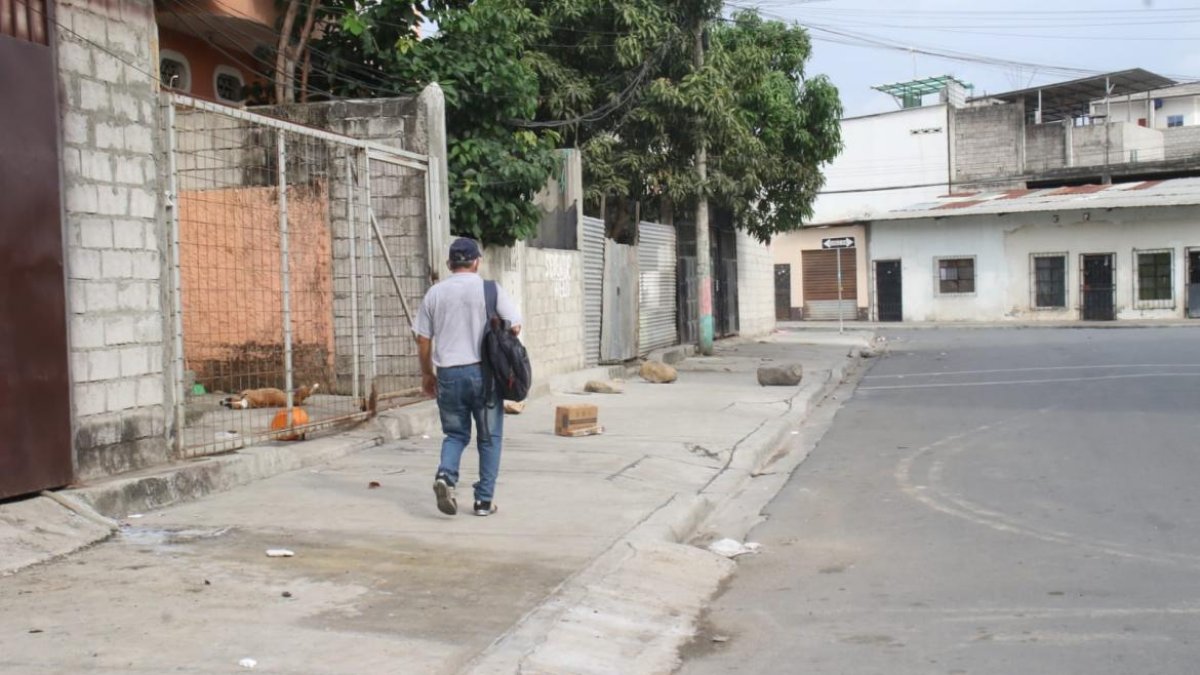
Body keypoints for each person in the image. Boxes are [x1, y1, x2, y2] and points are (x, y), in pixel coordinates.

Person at [414, 237, 522, 517]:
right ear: (477, 262)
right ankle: (483, 501)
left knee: (455, 434)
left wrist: (427, 374)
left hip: (448, 374)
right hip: (484, 374)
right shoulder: (491, 290)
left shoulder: (434, 293)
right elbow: (515, 327)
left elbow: (423, 339)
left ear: (449, 264)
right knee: (489, 438)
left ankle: (445, 476)